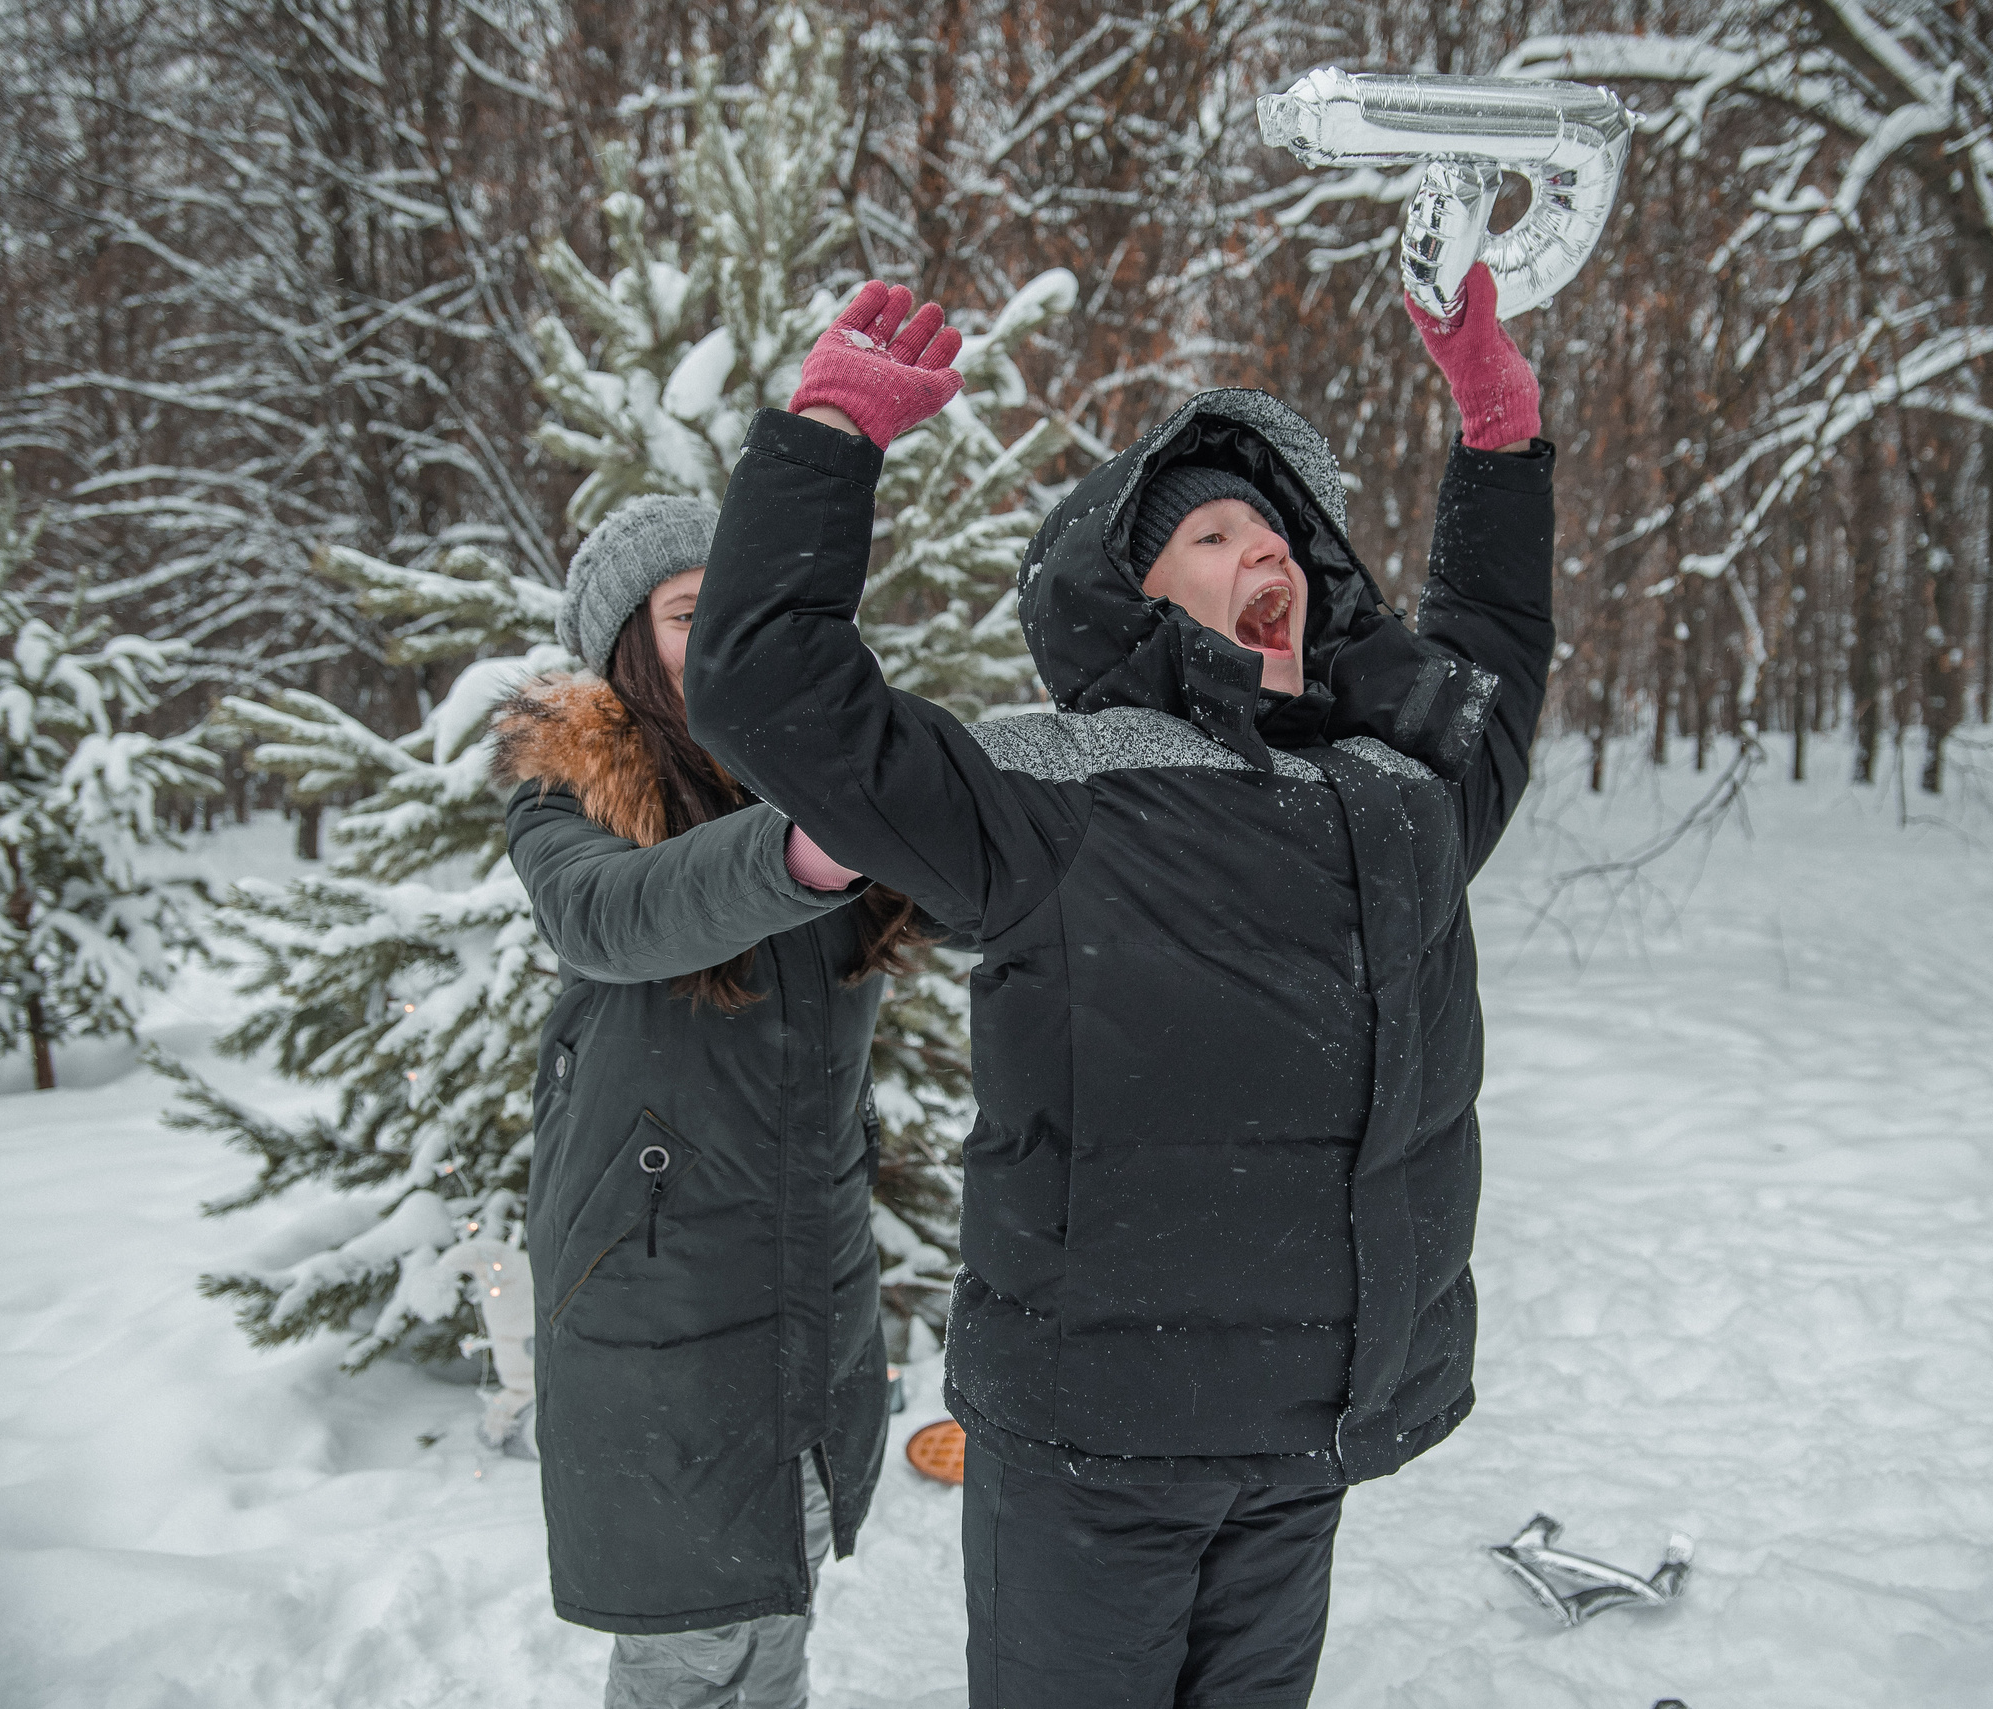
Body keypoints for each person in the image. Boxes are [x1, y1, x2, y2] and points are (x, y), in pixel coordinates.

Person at [686, 267, 1553, 1709]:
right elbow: (769, 689)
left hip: (1300, 1442)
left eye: (1275, 526)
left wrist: (1499, 435)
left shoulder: (1399, 796)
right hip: (1097, 1446)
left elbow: (1496, 651)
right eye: (1210, 531)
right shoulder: (1051, 790)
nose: (1260, 543)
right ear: (1133, 598)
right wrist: (831, 436)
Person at [497, 493, 926, 1709]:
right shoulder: (573, 785)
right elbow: (608, 917)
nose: (725, 630)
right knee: (690, 1635)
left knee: (778, 1596)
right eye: (691, 611)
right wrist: (806, 848)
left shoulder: (820, 762)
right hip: (655, 1285)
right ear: (631, 645)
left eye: (742, 604)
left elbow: (980, 889)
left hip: (809, 1268)